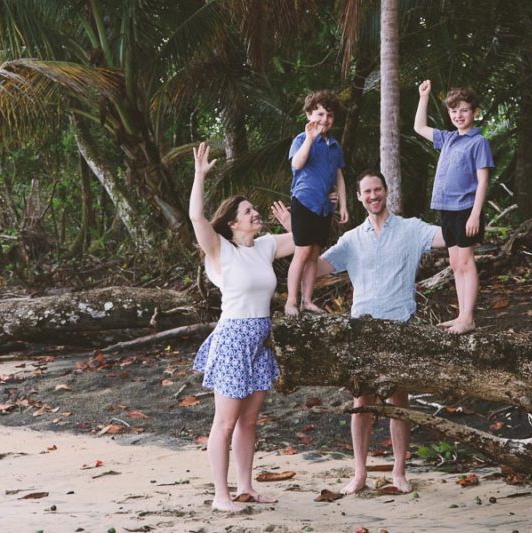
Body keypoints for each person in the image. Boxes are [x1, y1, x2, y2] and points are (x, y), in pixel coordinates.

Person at [302, 170, 446, 495]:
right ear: (358, 197)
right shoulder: (352, 239)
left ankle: (399, 471)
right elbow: (317, 266)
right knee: (361, 401)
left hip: (399, 328)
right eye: (366, 191)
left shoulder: (411, 229)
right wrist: (302, 229)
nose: (373, 196)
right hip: (362, 331)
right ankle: (359, 473)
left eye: (377, 189)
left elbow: (447, 236)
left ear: (386, 191)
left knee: (399, 400)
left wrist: (468, 210)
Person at [189, 142, 294, 512]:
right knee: (226, 422)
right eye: (248, 211)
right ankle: (221, 494)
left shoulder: (263, 247)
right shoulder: (221, 251)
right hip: (233, 338)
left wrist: (293, 225)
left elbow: (304, 242)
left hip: (262, 339)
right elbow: (197, 220)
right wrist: (200, 177)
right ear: (233, 222)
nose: (255, 214)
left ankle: (246, 487)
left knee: (249, 420)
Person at [414, 80, 494, 334]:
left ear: (474, 112)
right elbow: (419, 127)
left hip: (466, 209)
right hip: (445, 209)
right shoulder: (448, 139)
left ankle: (468, 318)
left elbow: (483, 181)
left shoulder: (478, 142)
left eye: (463, 110)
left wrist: (475, 215)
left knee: (466, 262)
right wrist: (424, 96)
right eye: (453, 111)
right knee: (455, 263)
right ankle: (461, 315)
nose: (458, 115)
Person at [285, 90, 349, 317]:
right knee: (302, 253)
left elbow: (338, 175)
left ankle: (307, 301)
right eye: (319, 114)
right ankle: (291, 301)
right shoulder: (301, 140)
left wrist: (342, 204)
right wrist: (310, 139)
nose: (324, 120)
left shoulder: (334, 145)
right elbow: (298, 164)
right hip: (304, 201)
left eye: (329, 116)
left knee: (314, 254)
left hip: (324, 205)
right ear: (309, 115)